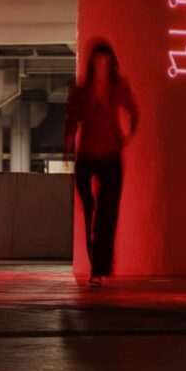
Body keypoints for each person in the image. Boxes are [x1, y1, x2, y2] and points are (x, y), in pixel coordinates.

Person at [64, 41, 139, 287]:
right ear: (92, 63)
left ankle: (98, 267)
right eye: (98, 61)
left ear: (111, 62)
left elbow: (133, 111)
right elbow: (72, 120)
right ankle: (97, 262)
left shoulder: (118, 87)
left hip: (109, 156)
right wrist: (67, 149)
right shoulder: (82, 91)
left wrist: (126, 136)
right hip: (88, 155)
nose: (102, 65)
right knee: (90, 211)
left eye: (106, 61)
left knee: (107, 214)